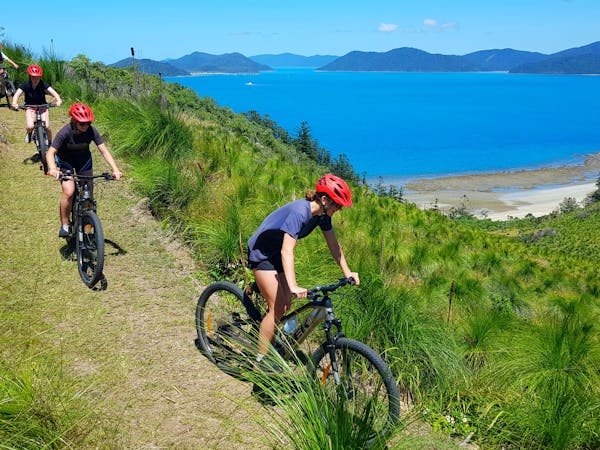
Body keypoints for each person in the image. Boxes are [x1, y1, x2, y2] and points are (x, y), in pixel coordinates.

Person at [247, 173, 360, 368]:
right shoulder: (300, 212)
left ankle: (264, 331)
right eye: (337, 205)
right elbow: (287, 250)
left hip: (276, 252)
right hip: (263, 253)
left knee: (286, 304)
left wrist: (347, 272)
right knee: (278, 307)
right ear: (324, 200)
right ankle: (260, 363)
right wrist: (292, 285)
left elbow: (334, 246)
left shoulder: (323, 216)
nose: (339, 209)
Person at [46, 102, 123, 238]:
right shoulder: (65, 132)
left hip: (84, 162)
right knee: (69, 192)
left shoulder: (92, 131)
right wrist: (53, 168)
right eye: (82, 123)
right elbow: (50, 152)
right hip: (66, 162)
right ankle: (65, 224)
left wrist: (115, 169)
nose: (86, 126)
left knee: (88, 195)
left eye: (88, 123)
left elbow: (104, 151)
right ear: (74, 122)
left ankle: (87, 220)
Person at [11, 64, 62, 143]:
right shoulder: (26, 84)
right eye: (33, 77)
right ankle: (29, 133)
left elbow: (53, 92)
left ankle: (50, 143)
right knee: (30, 126)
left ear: (40, 77)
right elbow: (17, 95)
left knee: (47, 127)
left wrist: (58, 100)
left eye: (38, 77)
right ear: (30, 76)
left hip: (43, 106)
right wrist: (14, 103)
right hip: (30, 106)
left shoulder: (43, 84)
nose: (35, 79)